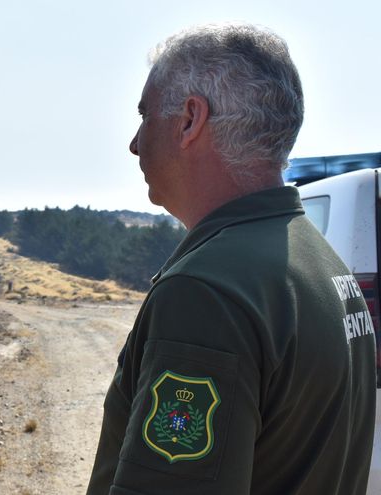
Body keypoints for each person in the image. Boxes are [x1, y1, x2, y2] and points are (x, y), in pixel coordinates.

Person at [86, 23, 376, 494]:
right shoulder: (326, 264)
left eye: (145, 116)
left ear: (189, 120)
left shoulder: (208, 291)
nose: (135, 143)